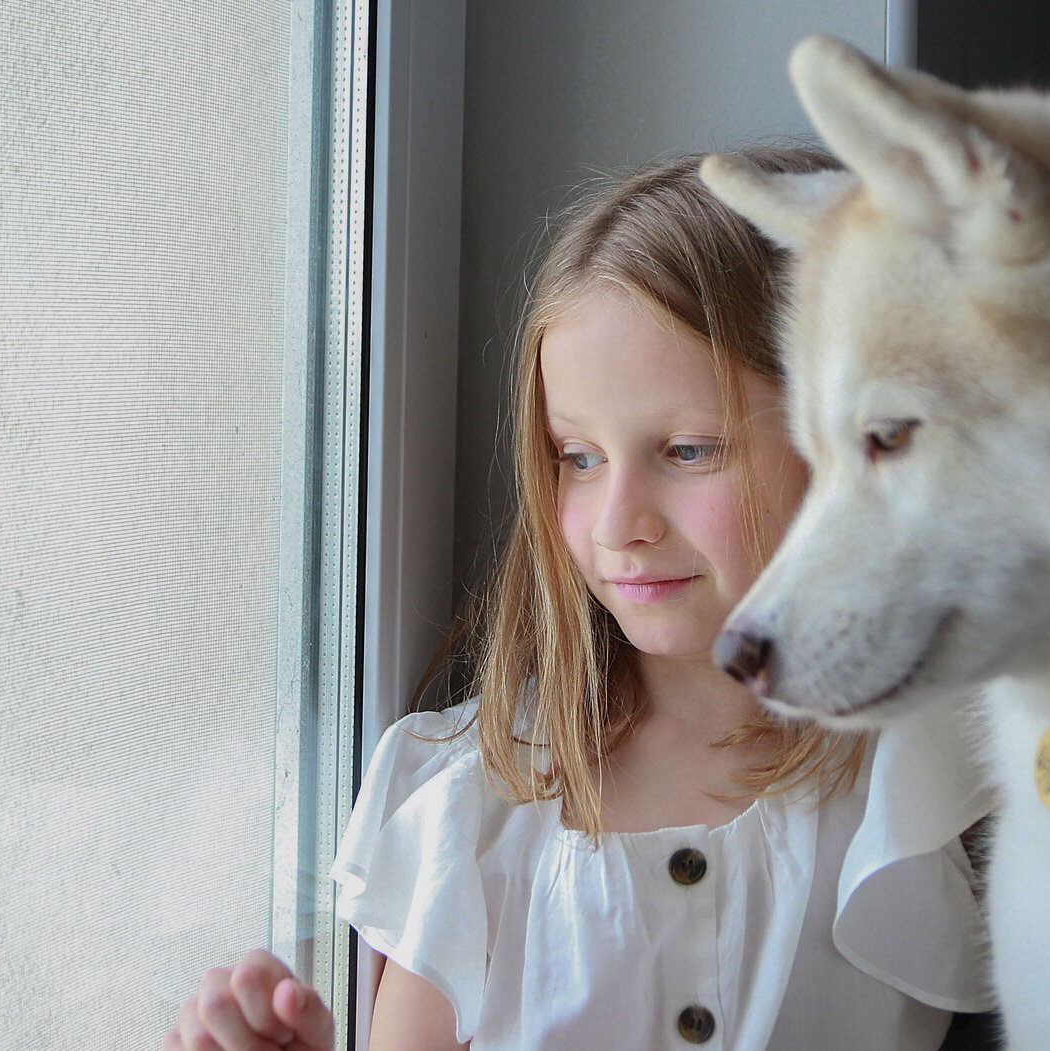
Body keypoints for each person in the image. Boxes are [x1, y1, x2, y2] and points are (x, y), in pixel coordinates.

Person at [163, 147, 993, 1051]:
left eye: (687, 450)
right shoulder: (474, 804)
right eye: (579, 458)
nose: (618, 522)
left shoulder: (939, 774)